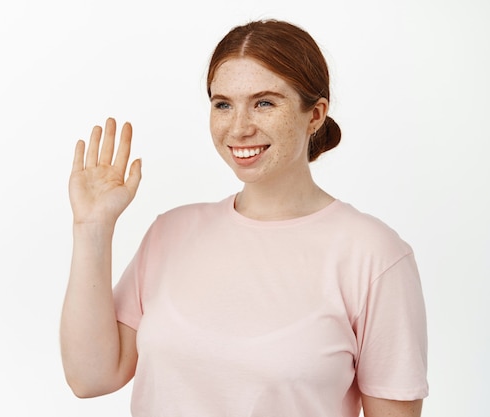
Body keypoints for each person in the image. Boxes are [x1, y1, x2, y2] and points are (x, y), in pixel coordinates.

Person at [60, 19, 428, 417]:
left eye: (264, 102)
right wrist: (92, 229)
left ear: (316, 115)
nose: (239, 127)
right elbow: (92, 377)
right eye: (223, 105)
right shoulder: (172, 232)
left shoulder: (373, 255)